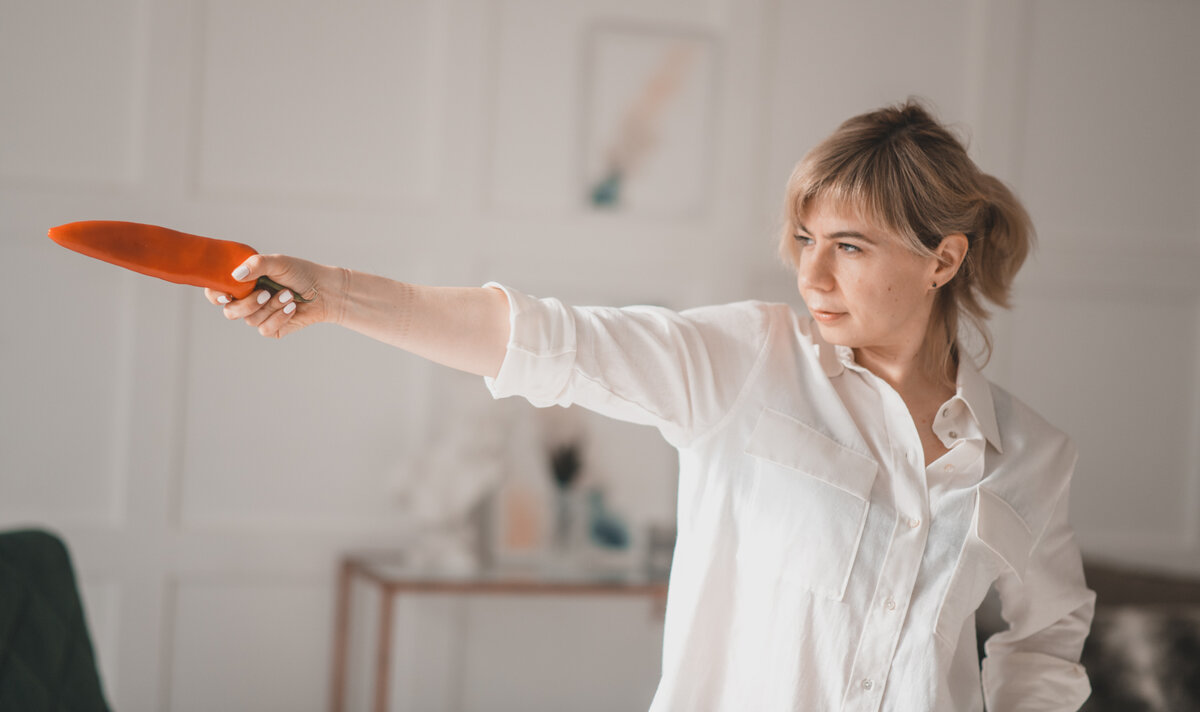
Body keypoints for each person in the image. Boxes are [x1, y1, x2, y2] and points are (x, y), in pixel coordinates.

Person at [208, 100, 1095, 711]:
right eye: (805, 239)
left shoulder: (1032, 455)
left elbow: (1050, 634)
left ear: (943, 259)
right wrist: (334, 294)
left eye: (851, 247)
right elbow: (545, 339)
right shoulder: (749, 362)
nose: (812, 275)